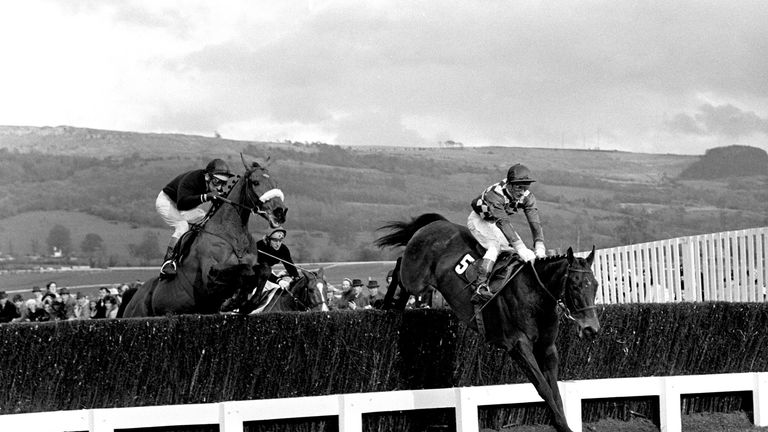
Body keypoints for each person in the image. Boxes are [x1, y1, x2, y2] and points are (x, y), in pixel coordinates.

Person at [468, 163, 546, 301]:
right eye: (518, 187)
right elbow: (503, 222)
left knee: (516, 251)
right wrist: (520, 248)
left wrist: (539, 245)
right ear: (509, 184)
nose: (522, 192)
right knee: (495, 247)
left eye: (525, 187)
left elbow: (534, 222)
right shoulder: (495, 194)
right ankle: (480, 287)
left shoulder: (528, 197)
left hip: (496, 222)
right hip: (479, 220)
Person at [156, 158, 235, 277]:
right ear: (207, 177)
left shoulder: (210, 183)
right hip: (167, 202)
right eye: (216, 182)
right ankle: (168, 262)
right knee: (182, 226)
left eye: (223, 183)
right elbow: (182, 204)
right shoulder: (191, 180)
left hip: (182, 207)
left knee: (205, 219)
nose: (219, 187)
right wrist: (205, 197)